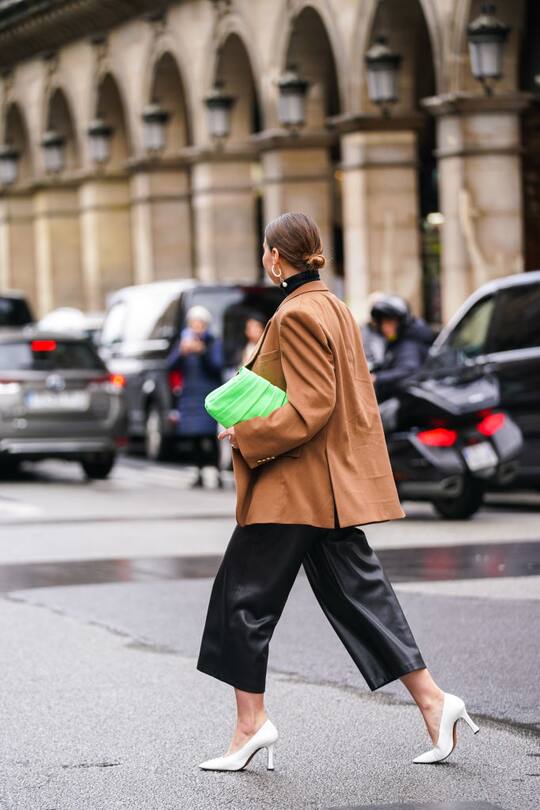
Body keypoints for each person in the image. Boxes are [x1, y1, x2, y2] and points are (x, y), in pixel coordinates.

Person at [196, 212, 479, 771]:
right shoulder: (335, 307)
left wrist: (243, 430)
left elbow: (312, 405)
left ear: (276, 257)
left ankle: (251, 726)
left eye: (264, 251)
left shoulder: (298, 313)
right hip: (323, 489)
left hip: (294, 487)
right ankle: (435, 702)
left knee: (242, 601)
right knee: (362, 597)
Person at [166, 305, 224, 489]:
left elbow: (217, 366)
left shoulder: (213, 342)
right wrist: (181, 353)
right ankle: (198, 473)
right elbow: (169, 366)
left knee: (210, 437)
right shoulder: (184, 342)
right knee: (193, 437)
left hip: (209, 396)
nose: (195, 327)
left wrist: (203, 352)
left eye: (199, 323)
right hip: (189, 395)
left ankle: (217, 473)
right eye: (193, 323)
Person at [370, 294, 435, 402]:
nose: (385, 328)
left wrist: (377, 378)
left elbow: (408, 370)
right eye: (383, 323)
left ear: (401, 322)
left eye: (390, 323)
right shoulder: (396, 340)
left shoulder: (409, 343)